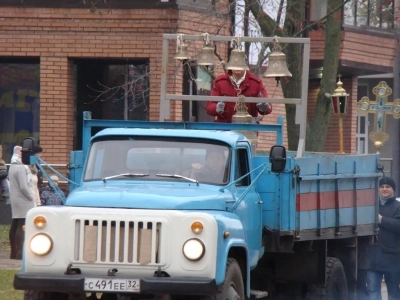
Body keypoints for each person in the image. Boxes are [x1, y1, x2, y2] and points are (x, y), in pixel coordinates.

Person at [365, 176, 400, 299]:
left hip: (393, 258)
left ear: (393, 190)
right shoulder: (371, 206)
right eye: (382, 187)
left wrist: (381, 219)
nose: (384, 189)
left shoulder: (398, 206)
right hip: (373, 257)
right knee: (372, 290)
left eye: (388, 187)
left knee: (394, 292)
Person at [206, 67, 272, 123]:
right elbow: (209, 106)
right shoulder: (220, 82)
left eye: (240, 63)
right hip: (224, 130)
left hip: (248, 130)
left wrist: (264, 107)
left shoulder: (256, 83)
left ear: (245, 63)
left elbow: (268, 106)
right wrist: (216, 108)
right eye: (234, 63)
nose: (237, 66)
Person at [8, 145, 36, 260]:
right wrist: (31, 197)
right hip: (23, 199)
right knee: (22, 225)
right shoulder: (21, 167)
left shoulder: (12, 166)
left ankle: (13, 252)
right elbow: (24, 186)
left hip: (15, 198)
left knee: (15, 223)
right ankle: (20, 252)